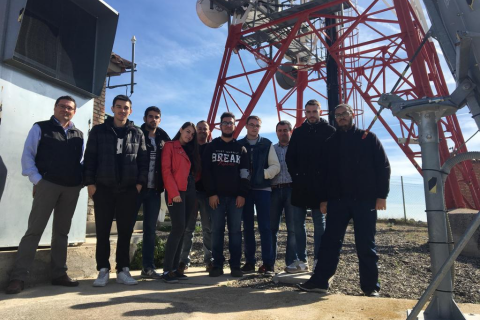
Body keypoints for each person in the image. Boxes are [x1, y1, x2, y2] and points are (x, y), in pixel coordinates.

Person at [297, 104, 390, 297]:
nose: (341, 118)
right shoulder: (330, 142)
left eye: (344, 114)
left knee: (366, 244)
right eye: (337, 115)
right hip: (337, 200)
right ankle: (320, 281)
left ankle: (371, 287)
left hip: (365, 200)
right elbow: (324, 174)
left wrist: (382, 195)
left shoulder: (368, 138)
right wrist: (323, 199)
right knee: (330, 242)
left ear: (352, 115)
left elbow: (383, 167)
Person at [5, 96, 84, 294]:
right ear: (55, 107)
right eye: (63, 106)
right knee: (34, 231)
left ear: (74, 112)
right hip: (47, 185)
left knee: (61, 233)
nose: (66, 110)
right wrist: (38, 181)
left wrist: (80, 183)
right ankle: (18, 277)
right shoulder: (40, 127)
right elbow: (28, 155)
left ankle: (59, 274)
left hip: (71, 188)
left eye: (70, 108)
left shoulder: (79, 134)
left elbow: (81, 161)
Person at [84, 95, 148, 287]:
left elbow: (144, 162)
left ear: (131, 111)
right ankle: (103, 269)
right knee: (102, 231)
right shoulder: (99, 130)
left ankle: (123, 269)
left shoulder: (137, 133)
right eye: (119, 107)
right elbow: (90, 158)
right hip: (103, 188)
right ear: (112, 109)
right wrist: (90, 183)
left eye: (126, 107)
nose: (122, 110)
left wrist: (139, 184)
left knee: (125, 232)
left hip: (128, 190)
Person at [285, 99, 335, 271]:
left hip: (321, 186)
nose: (311, 115)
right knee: (297, 224)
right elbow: (290, 157)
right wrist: (296, 176)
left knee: (319, 223)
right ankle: (301, 259)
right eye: (308, 112)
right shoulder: (298, 132)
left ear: (320, 112)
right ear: (305, 113)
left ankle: (319, 259)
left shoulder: (329, 131)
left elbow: (333, 160)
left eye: (314, 111)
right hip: (300, 185)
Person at [203, 112, 250, 278]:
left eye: (231, 123)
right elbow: (206, 172)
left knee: (235, 232)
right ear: (220, 125)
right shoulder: (211, 146)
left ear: (235, 125)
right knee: (216, 231)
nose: (228, 125)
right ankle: (217, 265)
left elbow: (245, 173)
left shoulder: (241, 149)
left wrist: (242, 194)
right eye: (225, 123)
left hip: (236, 198)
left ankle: (235, 265)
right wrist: (211, 193)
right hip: (217, 197)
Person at [238, 116, 280, 275]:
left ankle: (268, 264)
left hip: (263, 190)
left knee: (265, 227)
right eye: (252, 125)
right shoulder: (239, 144)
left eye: (257, 126)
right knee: (247, 227)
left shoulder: (266, 144)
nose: (254, 128)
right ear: (246, 126)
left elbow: (275, 166)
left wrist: (263, 174)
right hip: (245, 191)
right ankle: (250, 262)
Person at [161, 122, 201, 283]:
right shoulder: (170, 146)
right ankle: (166, 270)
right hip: (177, 191)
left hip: (189, 190)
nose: (189, 135)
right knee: (177, 228)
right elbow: (166, 170)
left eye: (192, 134)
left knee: (183, 229)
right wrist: (173, 192)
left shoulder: (191, 149)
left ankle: (175, 268)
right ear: (180, 130)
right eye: (187, 131)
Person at [134, 106, 170, 279]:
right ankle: (122, 267)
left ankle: (147, 267)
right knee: (126, 228)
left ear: (160, 120)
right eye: (150, 116)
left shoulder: (164, 138)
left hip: (155, 190)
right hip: (136, 189)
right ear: (144, 118)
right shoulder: (135, 134)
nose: (153, 119)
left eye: (156, 117)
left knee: (150, 230)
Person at [179, 120, 213, 272]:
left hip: (206, 193)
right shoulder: (188, 147)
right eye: (199, 128)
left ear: (209, 131)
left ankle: (209, 259)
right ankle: (183, 260)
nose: (202, 131)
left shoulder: (212, 148)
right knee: (188, 228)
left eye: (204, 129)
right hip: (189, 192)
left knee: (208, 228)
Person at [270, 120, 302, 272]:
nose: (283, 133)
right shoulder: (271, 149)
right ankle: (270, 262)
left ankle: (291, 262)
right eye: (280, 130)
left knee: (293, 228)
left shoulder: (297, 148)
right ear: (276, 132)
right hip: (274, 190)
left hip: (291, 189)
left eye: (285, 130)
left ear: (290, 131)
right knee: (271, 228)